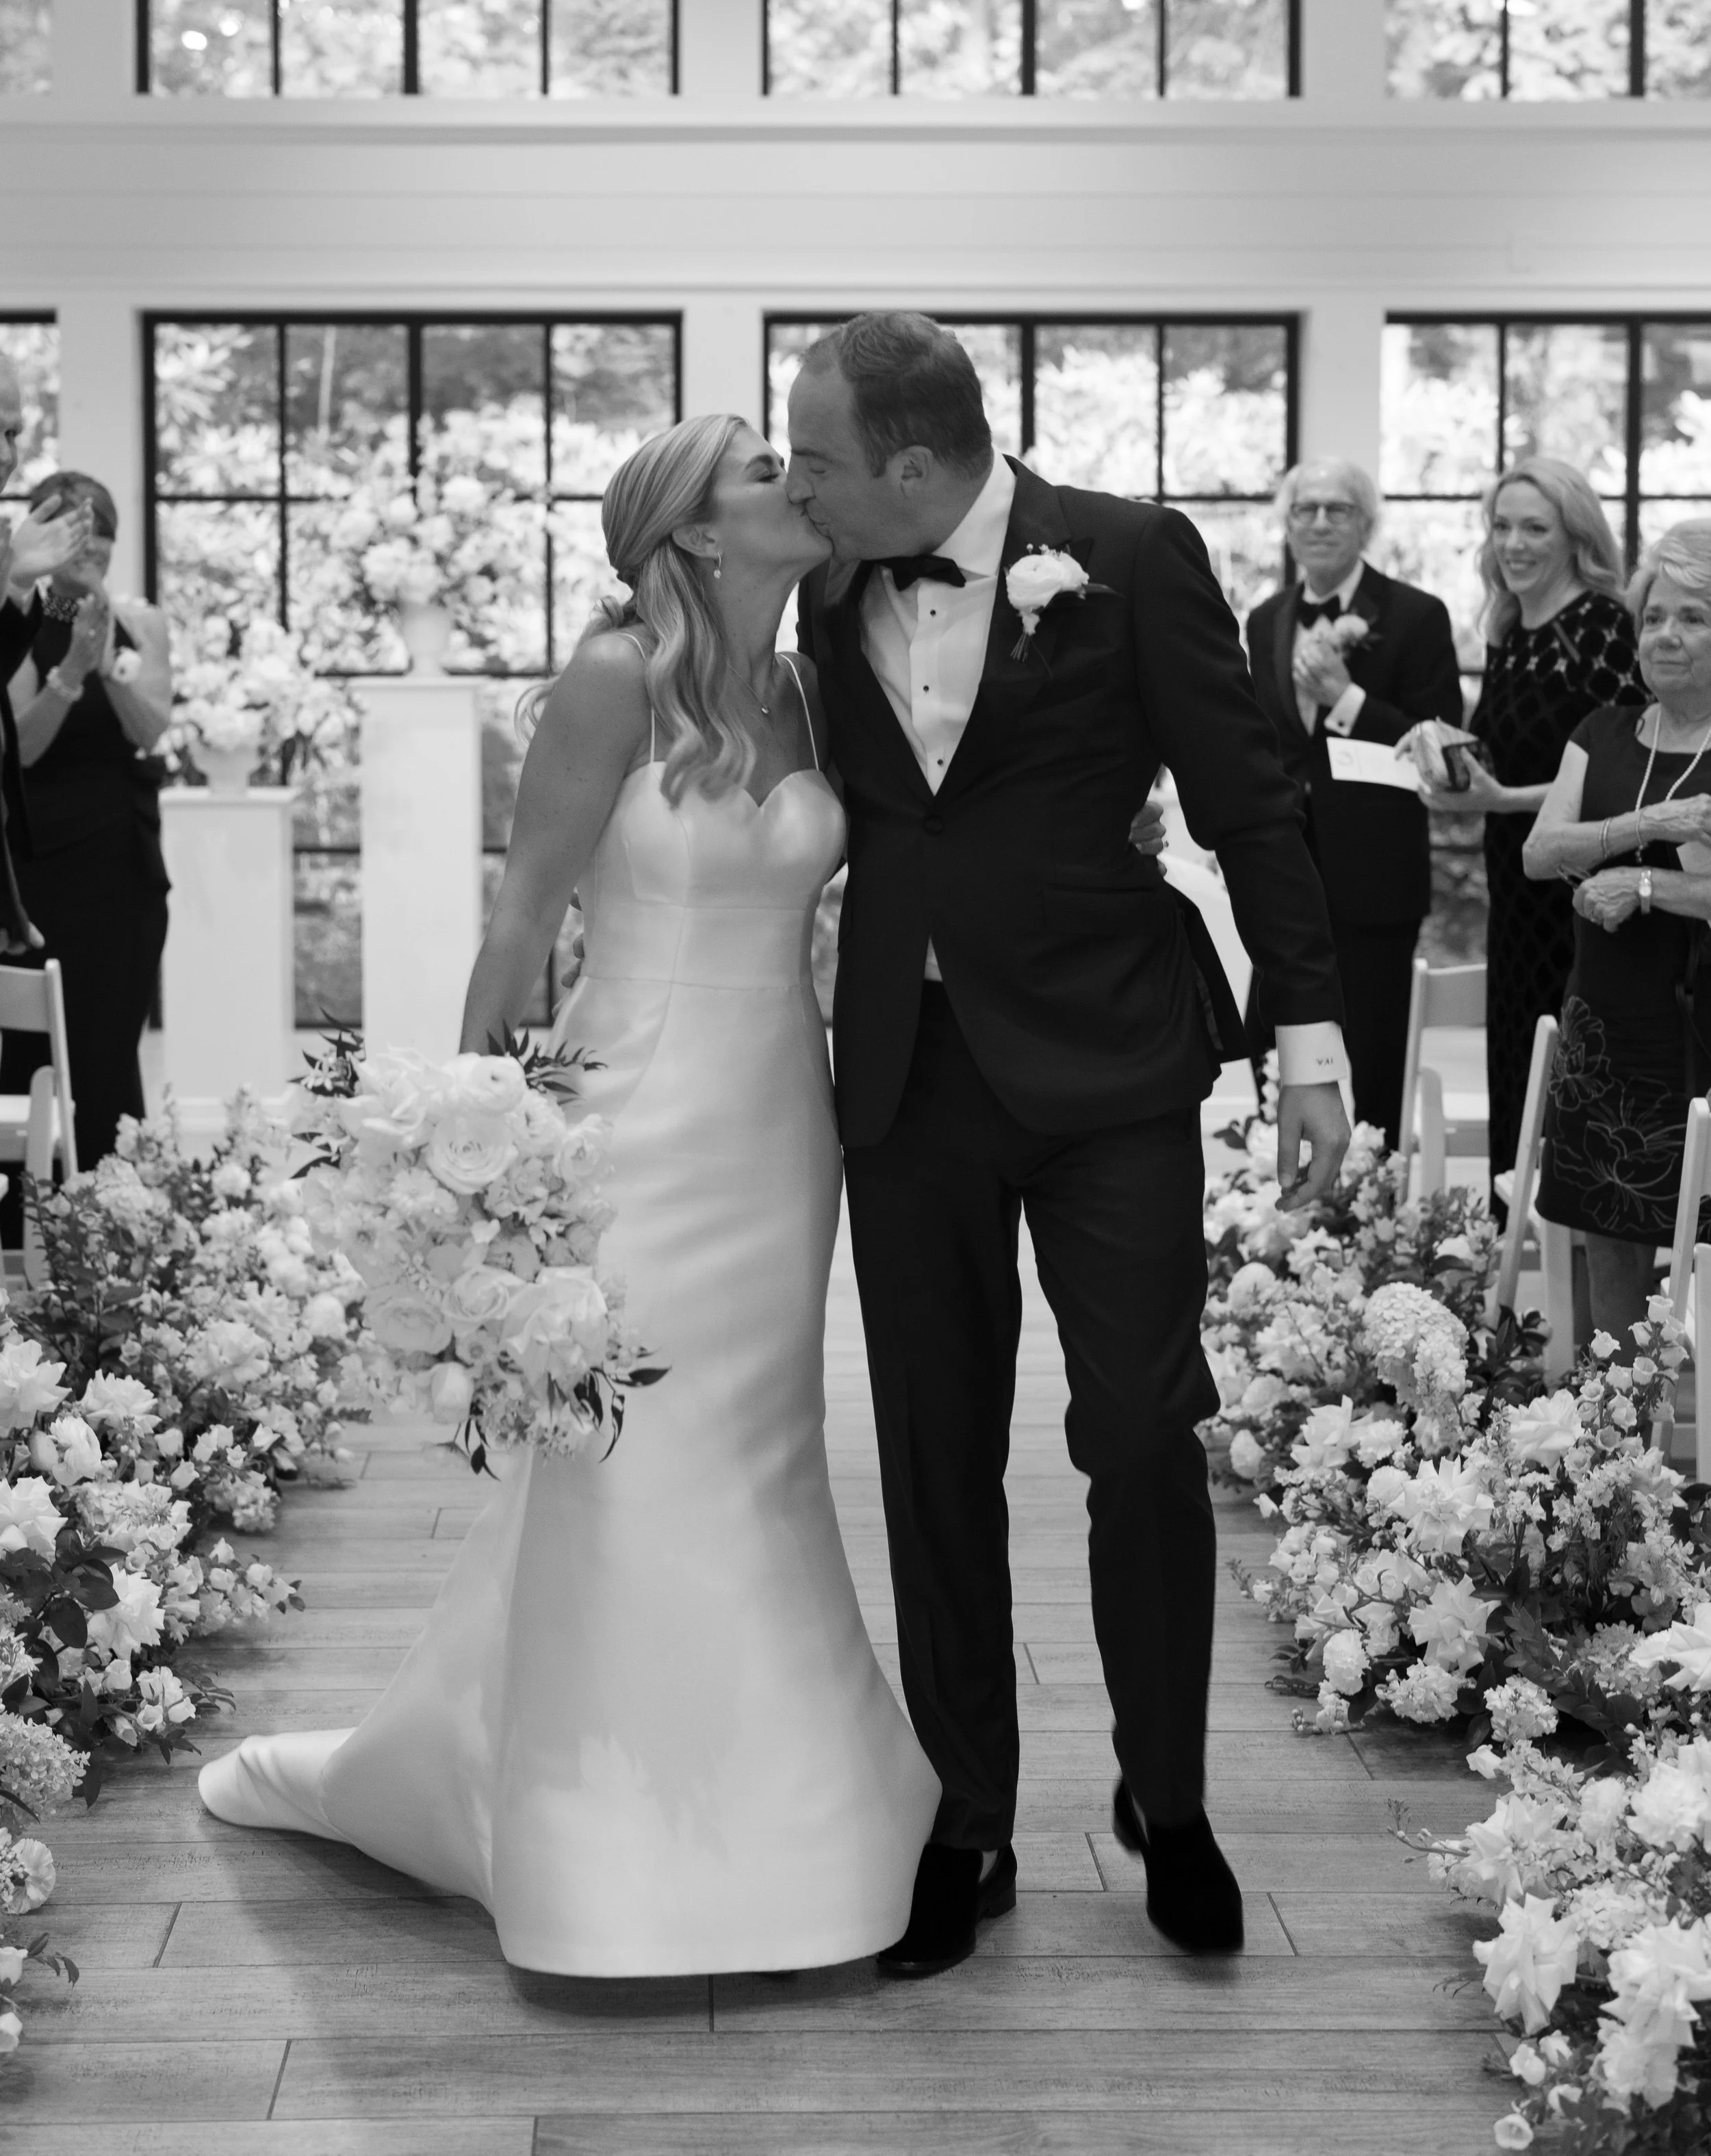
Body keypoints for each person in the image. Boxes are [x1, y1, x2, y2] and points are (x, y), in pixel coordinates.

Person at [201, 412, 940, 1975]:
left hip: (778, 1128)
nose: (794, 481)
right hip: (633, 1118)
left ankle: (787, 1819)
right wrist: (481, 1140)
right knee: (622, 1456)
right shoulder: (614, 676)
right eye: (760, 470)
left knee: (763, 1451)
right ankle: (591, 1834)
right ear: (691, 532)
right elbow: (524, 909)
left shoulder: (812, 682)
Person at [788, 313, 1349, 1974]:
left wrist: (1308, 1037)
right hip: (910, 1076)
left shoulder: (1125, 553)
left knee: (1139, 1430)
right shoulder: (829, 585)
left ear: (912, 461)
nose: (799, 485)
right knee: (933, 1450)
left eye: (818, 458)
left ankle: (1167, 1802)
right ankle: (967, 1823)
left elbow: (1250, 801)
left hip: (1113, 1064)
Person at [1422, 458, 1645, 1197]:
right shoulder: (1511, 626)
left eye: (1534, 528)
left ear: (1575, 537)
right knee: (1517, 1067)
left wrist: (1501, 798)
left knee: (1572, 1081)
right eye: (1501, 525)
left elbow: (1621, 776)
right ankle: (1512, 1270)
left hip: (1582, 894)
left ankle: (1574, 1277)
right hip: (1515, 892)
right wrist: (1446, 759)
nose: (1512, 543)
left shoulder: (1606, 627)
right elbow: (1510, 750)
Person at [1522, 519, 1711, 1346]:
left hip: (1696, 1028)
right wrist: (1651, 824)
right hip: (1603, 1029)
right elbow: (1539, 852)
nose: (1666, 634)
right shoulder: (1599, 730)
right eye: (1655, 617)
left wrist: (1644, 883)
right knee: (1608, 1237)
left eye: (1694, 617)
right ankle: (1615, 1451)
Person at [1245, 461, 1463, 1146]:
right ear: (1286, 524)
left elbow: (1442, 747)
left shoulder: (1416, 616)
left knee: (1371, 1063)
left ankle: (1373, 1222)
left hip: (1375, 876)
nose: (1317, 522)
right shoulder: (1265, 620)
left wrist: (1347, 699)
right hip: (1284, 874)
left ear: (1366, 523)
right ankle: (1272, 1215)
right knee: (1271, 1052)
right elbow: (1261, 742)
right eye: (1304, 509)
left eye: (1336, 510)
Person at [0, 474, 172, 1172]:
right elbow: (23, 745)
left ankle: (112, 1224)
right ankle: (24, 1237)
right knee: (33, 1049)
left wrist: (106, 665)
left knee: (108, 1048)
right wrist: (69, 671)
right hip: (39, 865)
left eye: (103, 555)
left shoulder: (143, 622)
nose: (91, 570)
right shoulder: (15, 627)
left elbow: (151, 729)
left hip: (120, 864)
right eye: (80, 555)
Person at [0, 358, 96, 958]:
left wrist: (15, 584)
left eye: (13, 435)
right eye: (4, 432)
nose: (10, 456)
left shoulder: (123, 614)